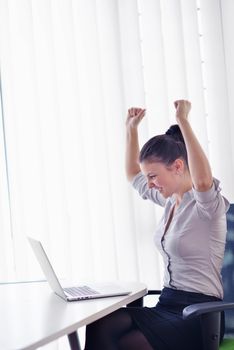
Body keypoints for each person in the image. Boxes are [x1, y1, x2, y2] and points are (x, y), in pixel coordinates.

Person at [84, 100, 229, 350]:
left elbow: (203, 180)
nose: (149, 183)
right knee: (100, 323)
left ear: (178, 166)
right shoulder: (169, 200)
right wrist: (131, 130)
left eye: (153, 176)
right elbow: (132, 174)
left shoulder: (208, 207)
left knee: (130, 343)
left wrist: (183, 120)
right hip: (167, 304)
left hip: (198, 314)